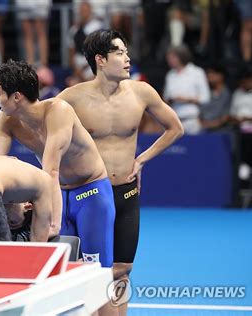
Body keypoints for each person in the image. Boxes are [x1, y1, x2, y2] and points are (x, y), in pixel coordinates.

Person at [57, 29, 184, 315]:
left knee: (122, 270)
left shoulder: (142, 92)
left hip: (126, 193)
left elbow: (175, 128)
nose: (128, 59)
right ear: (100, 59)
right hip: (89, 196)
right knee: (90, 273)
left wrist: (141, 160)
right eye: (120, 53)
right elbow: (45, 136)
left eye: (126, 52)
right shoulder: (71, 98)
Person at [0, 60, 115, 269]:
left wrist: (53, 224)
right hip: (59, 194)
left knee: (98, 270)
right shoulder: (6, 119)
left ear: (17, 96)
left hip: (91, 194)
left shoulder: (59, 110)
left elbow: (51, 171)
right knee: (61, 272)